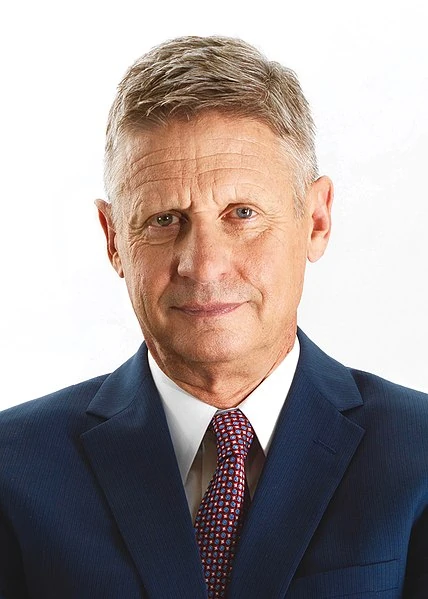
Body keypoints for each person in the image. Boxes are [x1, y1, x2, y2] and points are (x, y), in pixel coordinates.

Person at [0, 35, 426, 599]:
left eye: (241, 213)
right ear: (113, 239)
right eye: (164, 219)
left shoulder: (418, 453)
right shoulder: (13, 468)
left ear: (316, 221)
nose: (203, 265)